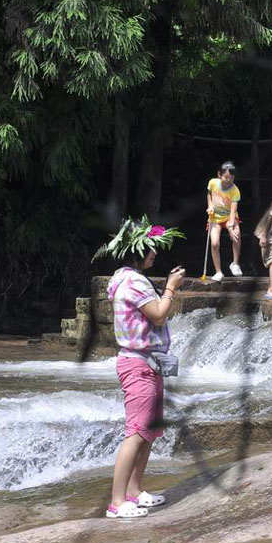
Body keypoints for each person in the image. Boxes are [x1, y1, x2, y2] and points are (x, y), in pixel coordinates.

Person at [94, 216, 185, 519]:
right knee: (135, 432)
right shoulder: (133, 281)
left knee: (147, 431)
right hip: (138, 365)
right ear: (137, 251)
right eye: (151, 248)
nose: (155, 253)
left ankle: (134, 491)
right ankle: (117, 502)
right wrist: (170, 288)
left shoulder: (126, 278)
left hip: (147, 363)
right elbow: (158, 314)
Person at [206, 161, 242, 282]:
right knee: (214, 243)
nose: (228, 180)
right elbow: (209, 194)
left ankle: (235, 264)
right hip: (215, 217)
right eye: (226, 177)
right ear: (219, 175)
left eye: (231, 178)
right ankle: (218, 272)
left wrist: (231, 227)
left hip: (229, 217)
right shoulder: (212, 183)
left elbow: (233, 211)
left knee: (236, 234)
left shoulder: (235, 190)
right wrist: (210, 206)